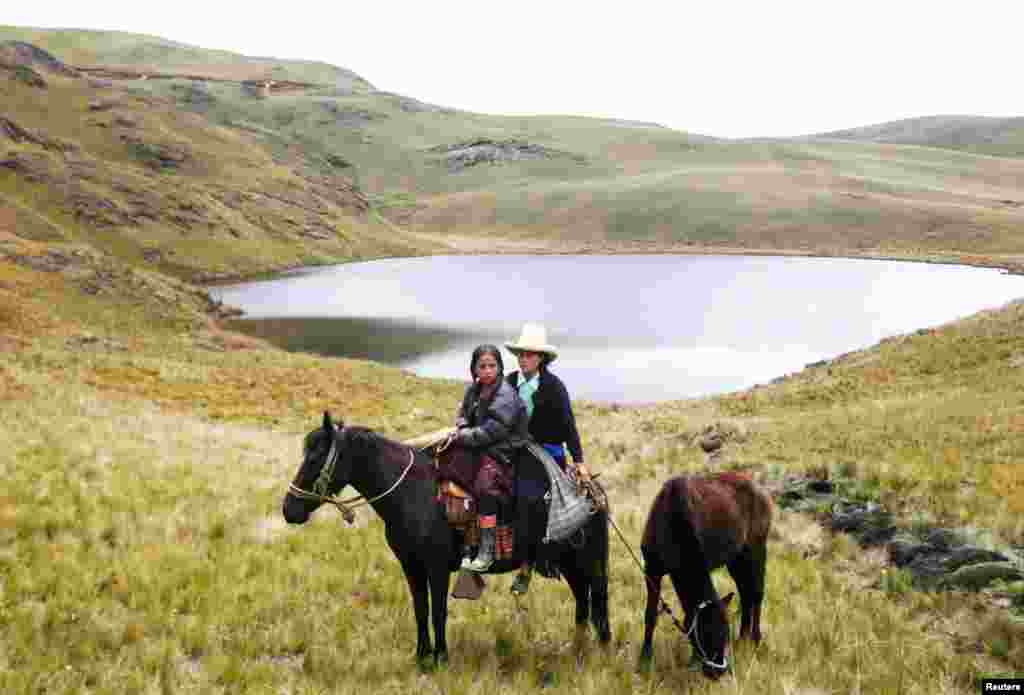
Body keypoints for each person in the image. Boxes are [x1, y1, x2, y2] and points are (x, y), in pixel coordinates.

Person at [504, 323, 592, 594]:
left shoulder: (554, 387)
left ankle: (529, 563)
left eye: (529, 354)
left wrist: (578, 461)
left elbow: (569, 425)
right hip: (513, 450)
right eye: (520, 354)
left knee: (530, 496)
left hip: (546, 453)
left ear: (540, 357)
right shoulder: (508, 382)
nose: (523, 358)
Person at [451, 344, 529, 573]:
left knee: (485, 487)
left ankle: (486, 550)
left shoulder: (505, 395)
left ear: (500, 368)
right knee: (448, 472)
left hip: (504, 450)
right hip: (478, 445)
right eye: (482, 366)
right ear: (474, 369)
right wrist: (463, 428)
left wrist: (463, 435)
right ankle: (463, 542)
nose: (486, 370)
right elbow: (462, 416)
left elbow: (491, 431)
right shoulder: (473, 390)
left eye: (491, 366)